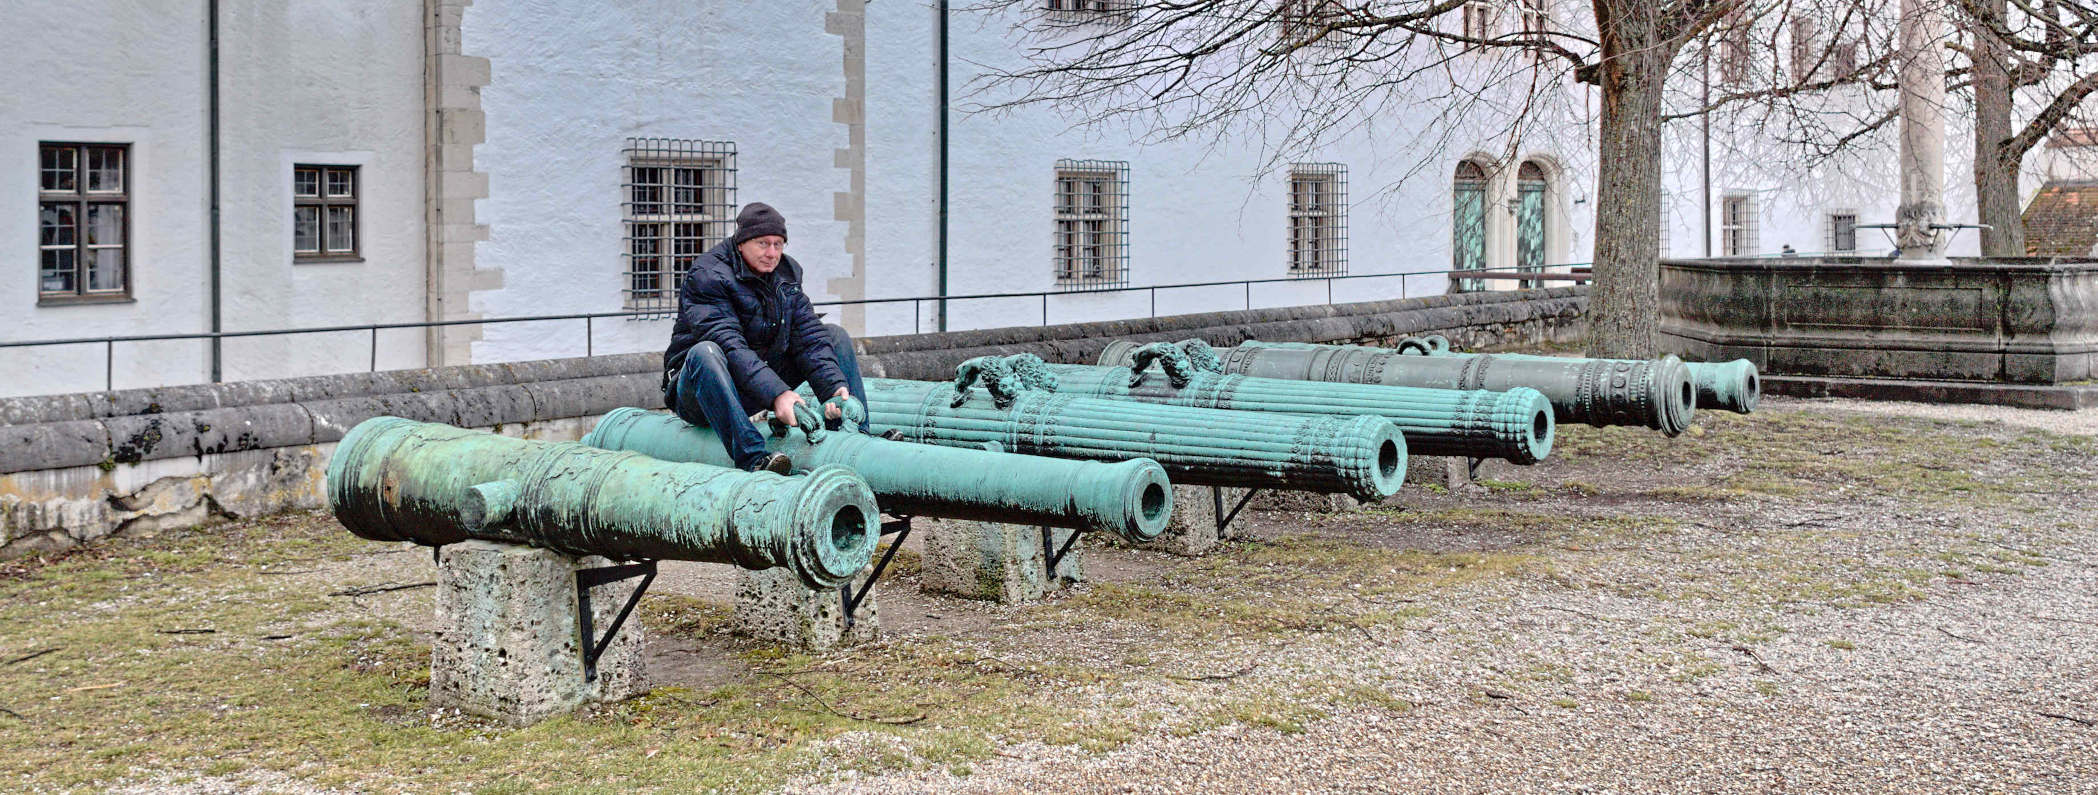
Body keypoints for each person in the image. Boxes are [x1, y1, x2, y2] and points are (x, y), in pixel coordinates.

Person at [661, 202, 877, 473]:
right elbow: (730, 346)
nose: (772, 253)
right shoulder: (707, 275)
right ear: (741, 243)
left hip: (752, 384)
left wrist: (834, 387)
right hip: (701, 390)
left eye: (778, 244)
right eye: (763, 243)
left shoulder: (787, 274)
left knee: (834, 336)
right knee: (706, 352)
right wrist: (778, 395)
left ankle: (855, 436)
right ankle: (754, 459)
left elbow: (808, 337)